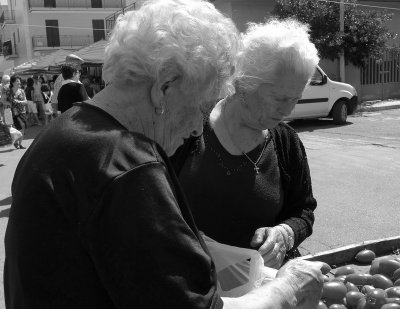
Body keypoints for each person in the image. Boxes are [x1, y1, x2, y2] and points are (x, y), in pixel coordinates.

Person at [4, 2, 324, 308]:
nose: (199, 130)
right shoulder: (128, 166)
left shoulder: (60, 133)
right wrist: (290, 289)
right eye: (201, 105)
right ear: (166, 84)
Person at [172, 19, 320, 269]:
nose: (287, 110)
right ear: (242, 84)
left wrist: (286, 233)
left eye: (295, 98)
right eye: (279, 98)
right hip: (192, 283)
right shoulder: (189, 127)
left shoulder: (286, 142)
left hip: (260, 285)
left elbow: (303, 210)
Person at [8, 74, 28, 149]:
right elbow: (6, 101)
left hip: (22, 111)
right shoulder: (9, 92)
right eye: (17, 81)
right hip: (14, 112)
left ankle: (19, 143)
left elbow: (25, 101)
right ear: (12, 82)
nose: (19, 83)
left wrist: (19, 102)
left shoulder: (22, 91)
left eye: (19, 81)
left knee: (23, 128)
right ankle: (16, 142)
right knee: (19, 127)